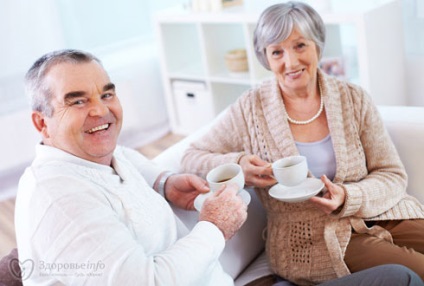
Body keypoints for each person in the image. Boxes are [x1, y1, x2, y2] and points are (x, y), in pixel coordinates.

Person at [181, 1, 424, 285]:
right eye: (277, 52)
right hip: (313, 239)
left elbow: (392, 174)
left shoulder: (353, 98)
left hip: (380, 212)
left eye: (299, 46)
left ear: (317, 46)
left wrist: (348, 197)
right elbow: (191, 156)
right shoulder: (250, 109)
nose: (291, 62)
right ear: (265, 58)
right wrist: (239, 166)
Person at [14, 49, 248, 285]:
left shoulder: (93, 154)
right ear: (42, 122)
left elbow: (124, 156)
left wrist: (165, 183)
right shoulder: (58, 199)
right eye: (78, 101)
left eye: (106, 95)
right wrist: (215, 227)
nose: (101, 110)